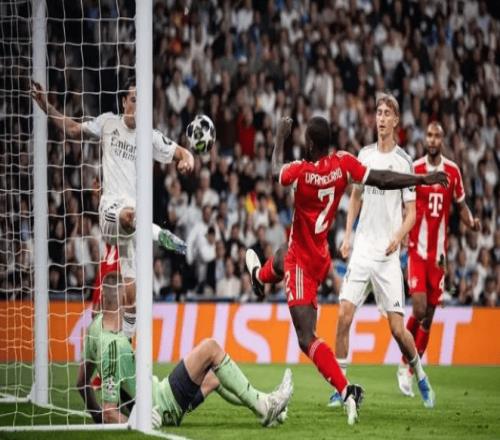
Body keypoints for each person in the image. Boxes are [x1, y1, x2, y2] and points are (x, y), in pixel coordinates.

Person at [245, 115, 447, 424]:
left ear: (309, 143)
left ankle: (344, 389)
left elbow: (275, 171)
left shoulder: (300, 171)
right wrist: (420, 179)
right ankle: (260, 277)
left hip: (302, 262)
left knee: (306, 338)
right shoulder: (343, 163)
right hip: (320, 256)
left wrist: (280, 136)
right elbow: (383, 179)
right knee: (284, 253)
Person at [31, 78, 193, 338]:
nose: (138, 105)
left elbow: (183, 153)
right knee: (128, 216)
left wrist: (187, 161)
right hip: (111, 211)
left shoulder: (149, 136)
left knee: (131, 296)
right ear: (124, 101)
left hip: (133, 225)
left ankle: (126, 345)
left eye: (142, 101)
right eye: (134, 99)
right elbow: (72, 129)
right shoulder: (108, 123)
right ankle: (158, 234)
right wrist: (47, 107)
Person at [76, 271, 293, 428]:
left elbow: (81, 384)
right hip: (162, 405)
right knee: (211, 348)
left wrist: (96, 418)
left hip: (158, 392)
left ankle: (267, 407)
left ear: (102, 299)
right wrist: (136, 421)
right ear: (123, 299)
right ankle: (266, 407)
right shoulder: (114, 347)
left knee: (215, 377)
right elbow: (109, 411)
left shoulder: (95, 328)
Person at [329, 94, 436, 409]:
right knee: (343, 315)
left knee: (398, 330)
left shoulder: (404, 162)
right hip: (362, 249)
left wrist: (398, 236)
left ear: (396, 120)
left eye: (387, 113)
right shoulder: (364, 155)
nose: (381, 118)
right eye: (378, 112)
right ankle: (340, 387)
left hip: (388, 255)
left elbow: (412, 213)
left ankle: (420, 374)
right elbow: (355, 197)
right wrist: (347, 235)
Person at [397, 121, 481, 396]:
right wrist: (401, 232)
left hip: (439, 257)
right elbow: (404, 205)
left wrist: (471, 222)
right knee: (419, 308)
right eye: (429, 135)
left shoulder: (452, 171)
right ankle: (404, 360)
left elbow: (461, 205)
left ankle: (410, 370)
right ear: (425, 139)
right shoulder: (416, 168)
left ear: (442, 140)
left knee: (429, 317)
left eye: (437, 136)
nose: (432, 140)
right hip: (417, 251)